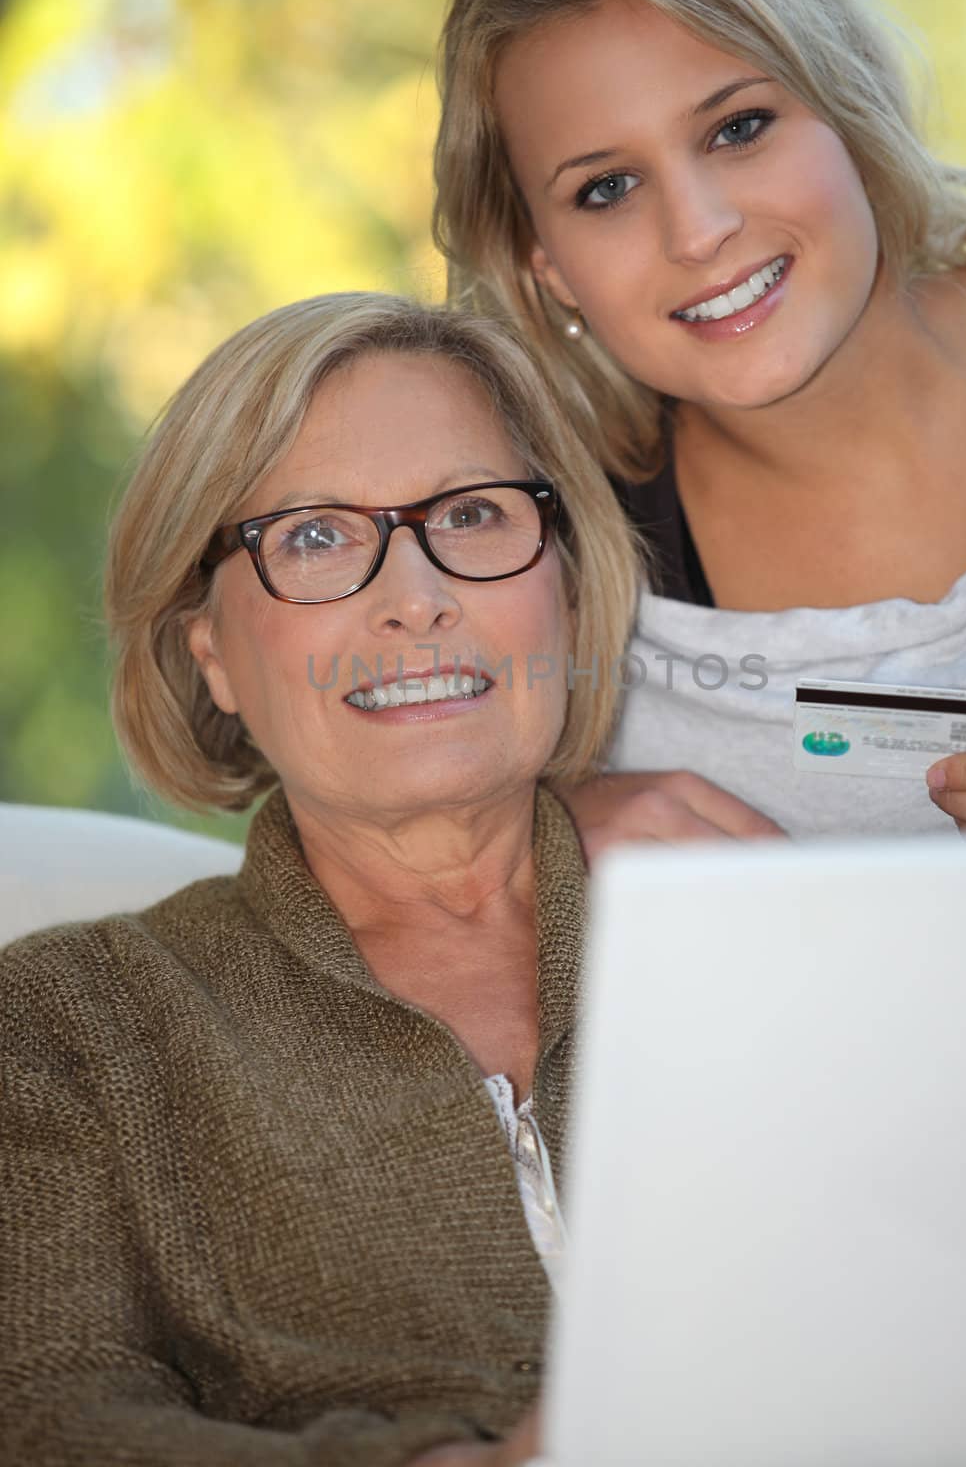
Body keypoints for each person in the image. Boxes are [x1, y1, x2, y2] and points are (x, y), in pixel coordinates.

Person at [0, 292, 644, 1466]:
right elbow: (45, 1411)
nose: (415, 595)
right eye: (312, 537)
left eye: (470, 512)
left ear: (563, 579)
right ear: (213, 655)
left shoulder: (753, 937)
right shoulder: (63, 1024)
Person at [433, 0, 966, 840]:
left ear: (844, 107)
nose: (697, 229)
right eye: (605, 189)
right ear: (544, 263)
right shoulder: (535, 568)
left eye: (737, 127)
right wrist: (536, 845)